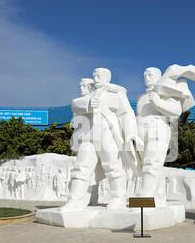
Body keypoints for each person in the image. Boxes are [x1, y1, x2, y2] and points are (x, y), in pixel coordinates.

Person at [60, 68, 139, 211]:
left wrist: (130, 133)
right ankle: (75, 200)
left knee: (112, 165)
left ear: (107, 78)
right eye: (94, 76)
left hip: (106, 133)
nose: (96, 79)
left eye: (99, 76)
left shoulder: (116, 94)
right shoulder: (89, 94)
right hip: (88, 134)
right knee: (81, 166)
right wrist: (89, 104)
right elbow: (75, 104)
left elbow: (127, 113)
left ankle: (119, 197)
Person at [136, 65, 195, 206]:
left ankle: (144, 198)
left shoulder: (167, 93)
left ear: (159, 77)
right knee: (148, 166)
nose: (146, 78)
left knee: (152, 164)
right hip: (141, 132)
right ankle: (159, 197)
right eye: (145, 75)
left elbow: (176, 111)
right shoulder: (141, 97)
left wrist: (158, 102)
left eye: (150, 75)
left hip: (158, 128)